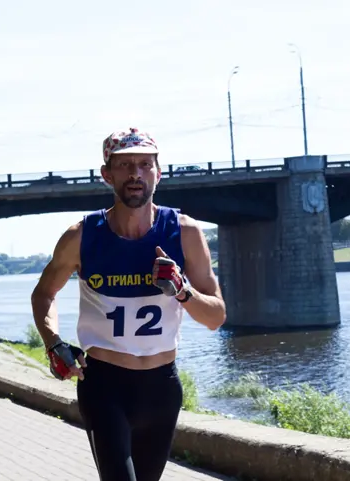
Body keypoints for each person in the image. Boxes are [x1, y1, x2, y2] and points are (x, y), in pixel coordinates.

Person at [30, 127, 226, 481]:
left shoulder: (185, 233)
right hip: (104, 386)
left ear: (158, 173)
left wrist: (182, 289)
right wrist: (53, 344)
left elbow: (216, 317)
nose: (135, 173)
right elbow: (43, 294)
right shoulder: (81, 236)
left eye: (144, 164)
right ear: (107, 174)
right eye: (124, 165)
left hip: (161, 388)